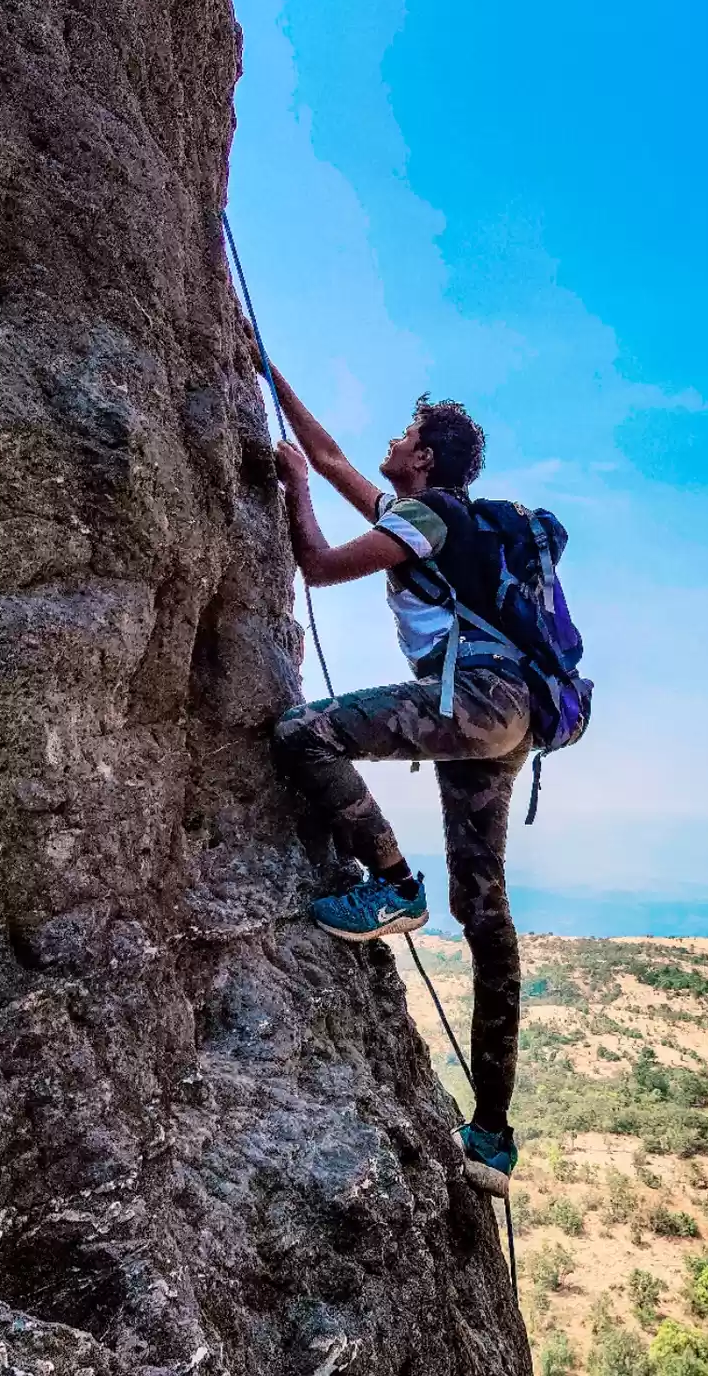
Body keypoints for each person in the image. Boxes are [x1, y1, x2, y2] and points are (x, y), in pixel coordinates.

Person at [258, 343, 527, 1198]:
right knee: (486, 917)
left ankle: (392, 887)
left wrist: (293, 486)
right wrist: (269, 374)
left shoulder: (427, 518)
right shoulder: (432, 520)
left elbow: (320, 566)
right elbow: (335, 453)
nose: (392, 437)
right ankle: (491, 1136)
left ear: (425, 457)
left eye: (406, 432)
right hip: (507, 713)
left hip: (472, 701)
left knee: (306, 732)